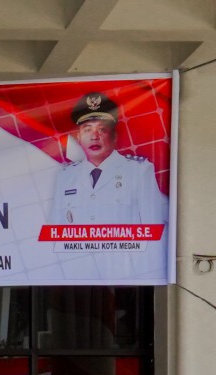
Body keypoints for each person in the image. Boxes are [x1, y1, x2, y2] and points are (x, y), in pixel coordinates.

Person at [50, 92, 166, 279]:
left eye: (102, 129)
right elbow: (56, 232)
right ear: (78, 136)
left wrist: (145, 275)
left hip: (125, 275)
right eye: (87, 129)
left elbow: (153, 231)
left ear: (114, 136)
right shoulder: (65, 176)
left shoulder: (138, 171)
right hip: (76, 276)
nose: (94, 136)